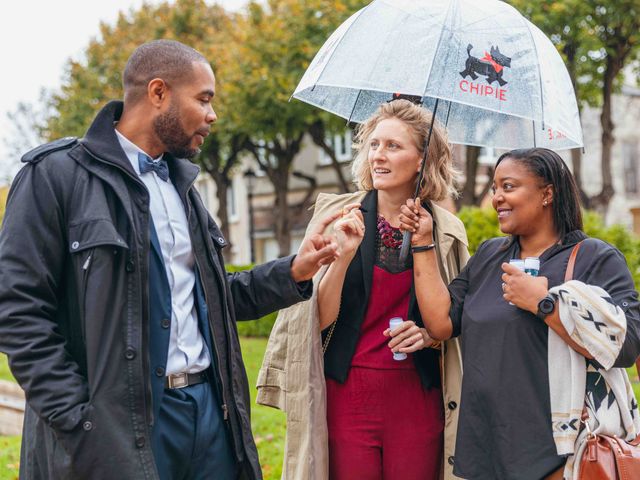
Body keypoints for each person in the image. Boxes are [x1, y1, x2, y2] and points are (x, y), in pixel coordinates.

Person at [0, 39, 340, 480]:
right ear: (158, 92)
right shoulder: (54, 177)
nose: (212, 115)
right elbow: (17, 309)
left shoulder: (183, 187)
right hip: (121, 426)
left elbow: (212, 298)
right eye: (203, 99)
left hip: (207, 418)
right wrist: (78, 420)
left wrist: (296, 269)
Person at [258, 99, 468, 479]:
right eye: (374, 144)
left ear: (421, 159)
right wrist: (342, 255)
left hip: (417, 399)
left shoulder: (447, 231)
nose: (378, 155)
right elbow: (315, 320)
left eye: (393, 146)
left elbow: (457, 322)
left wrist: (427, 335)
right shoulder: (334, 219)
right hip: (347, 394)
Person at [400, 148, 640, 479]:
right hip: (486, 448)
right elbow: (441, 323)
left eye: (509, 186)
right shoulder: (489, 255)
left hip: (557, 455)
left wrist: (545, 304)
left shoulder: (594, 258)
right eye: (495, 187)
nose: (497, 197)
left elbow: (627, 346)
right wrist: (423, 242)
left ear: (547, 193)